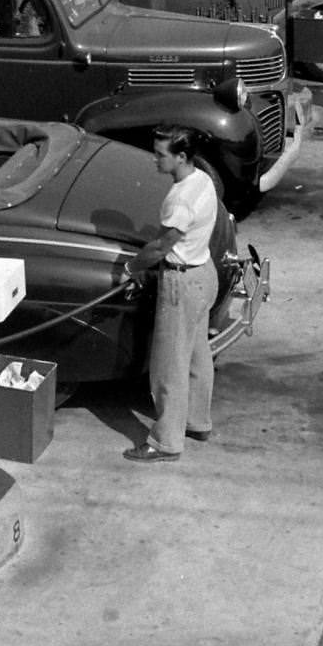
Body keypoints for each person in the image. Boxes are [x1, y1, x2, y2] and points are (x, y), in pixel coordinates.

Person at [122, 126, 220, 463]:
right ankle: (197, 422)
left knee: (168, 366)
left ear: (181, 156)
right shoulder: (203, 180)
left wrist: (132, 267)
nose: (155, 159)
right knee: (196, 355)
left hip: (181, 283)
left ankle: (165, 442)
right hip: (205, 274)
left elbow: (163, 245)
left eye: (161, 154)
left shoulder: (178, 199)